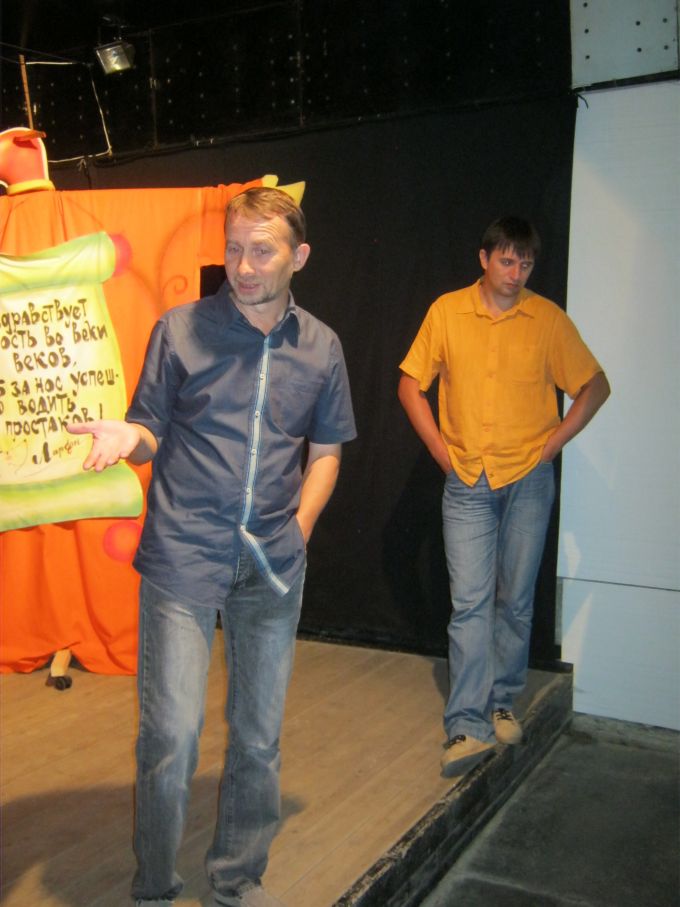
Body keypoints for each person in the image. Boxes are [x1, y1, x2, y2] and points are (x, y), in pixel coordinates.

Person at [68, 187, 356, 906]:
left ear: (299, 256)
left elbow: (326, 452)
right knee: (170, 737)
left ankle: (236, 879)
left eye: (262, 250)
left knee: (258, 738)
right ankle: (155, 889)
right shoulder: (180, 330)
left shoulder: (322, 346)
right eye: (233, 248)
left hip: (272, 565)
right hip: (183, 556)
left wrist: (299, 529)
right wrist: (128, 437)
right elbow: (149, 427)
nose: (243, 266)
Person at [397, 216, 609, 778]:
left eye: (526, 264)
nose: (516, 273)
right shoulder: (447, 312)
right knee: (469, 603)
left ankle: (501, 700)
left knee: (514, 599)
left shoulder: (547, 319)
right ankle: (467, 723)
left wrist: (553, 445)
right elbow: (410, 384)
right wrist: (442, 453)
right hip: (468, 480)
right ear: (485, 258)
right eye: (508, 261)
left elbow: (595, 384)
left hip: (528, 480)